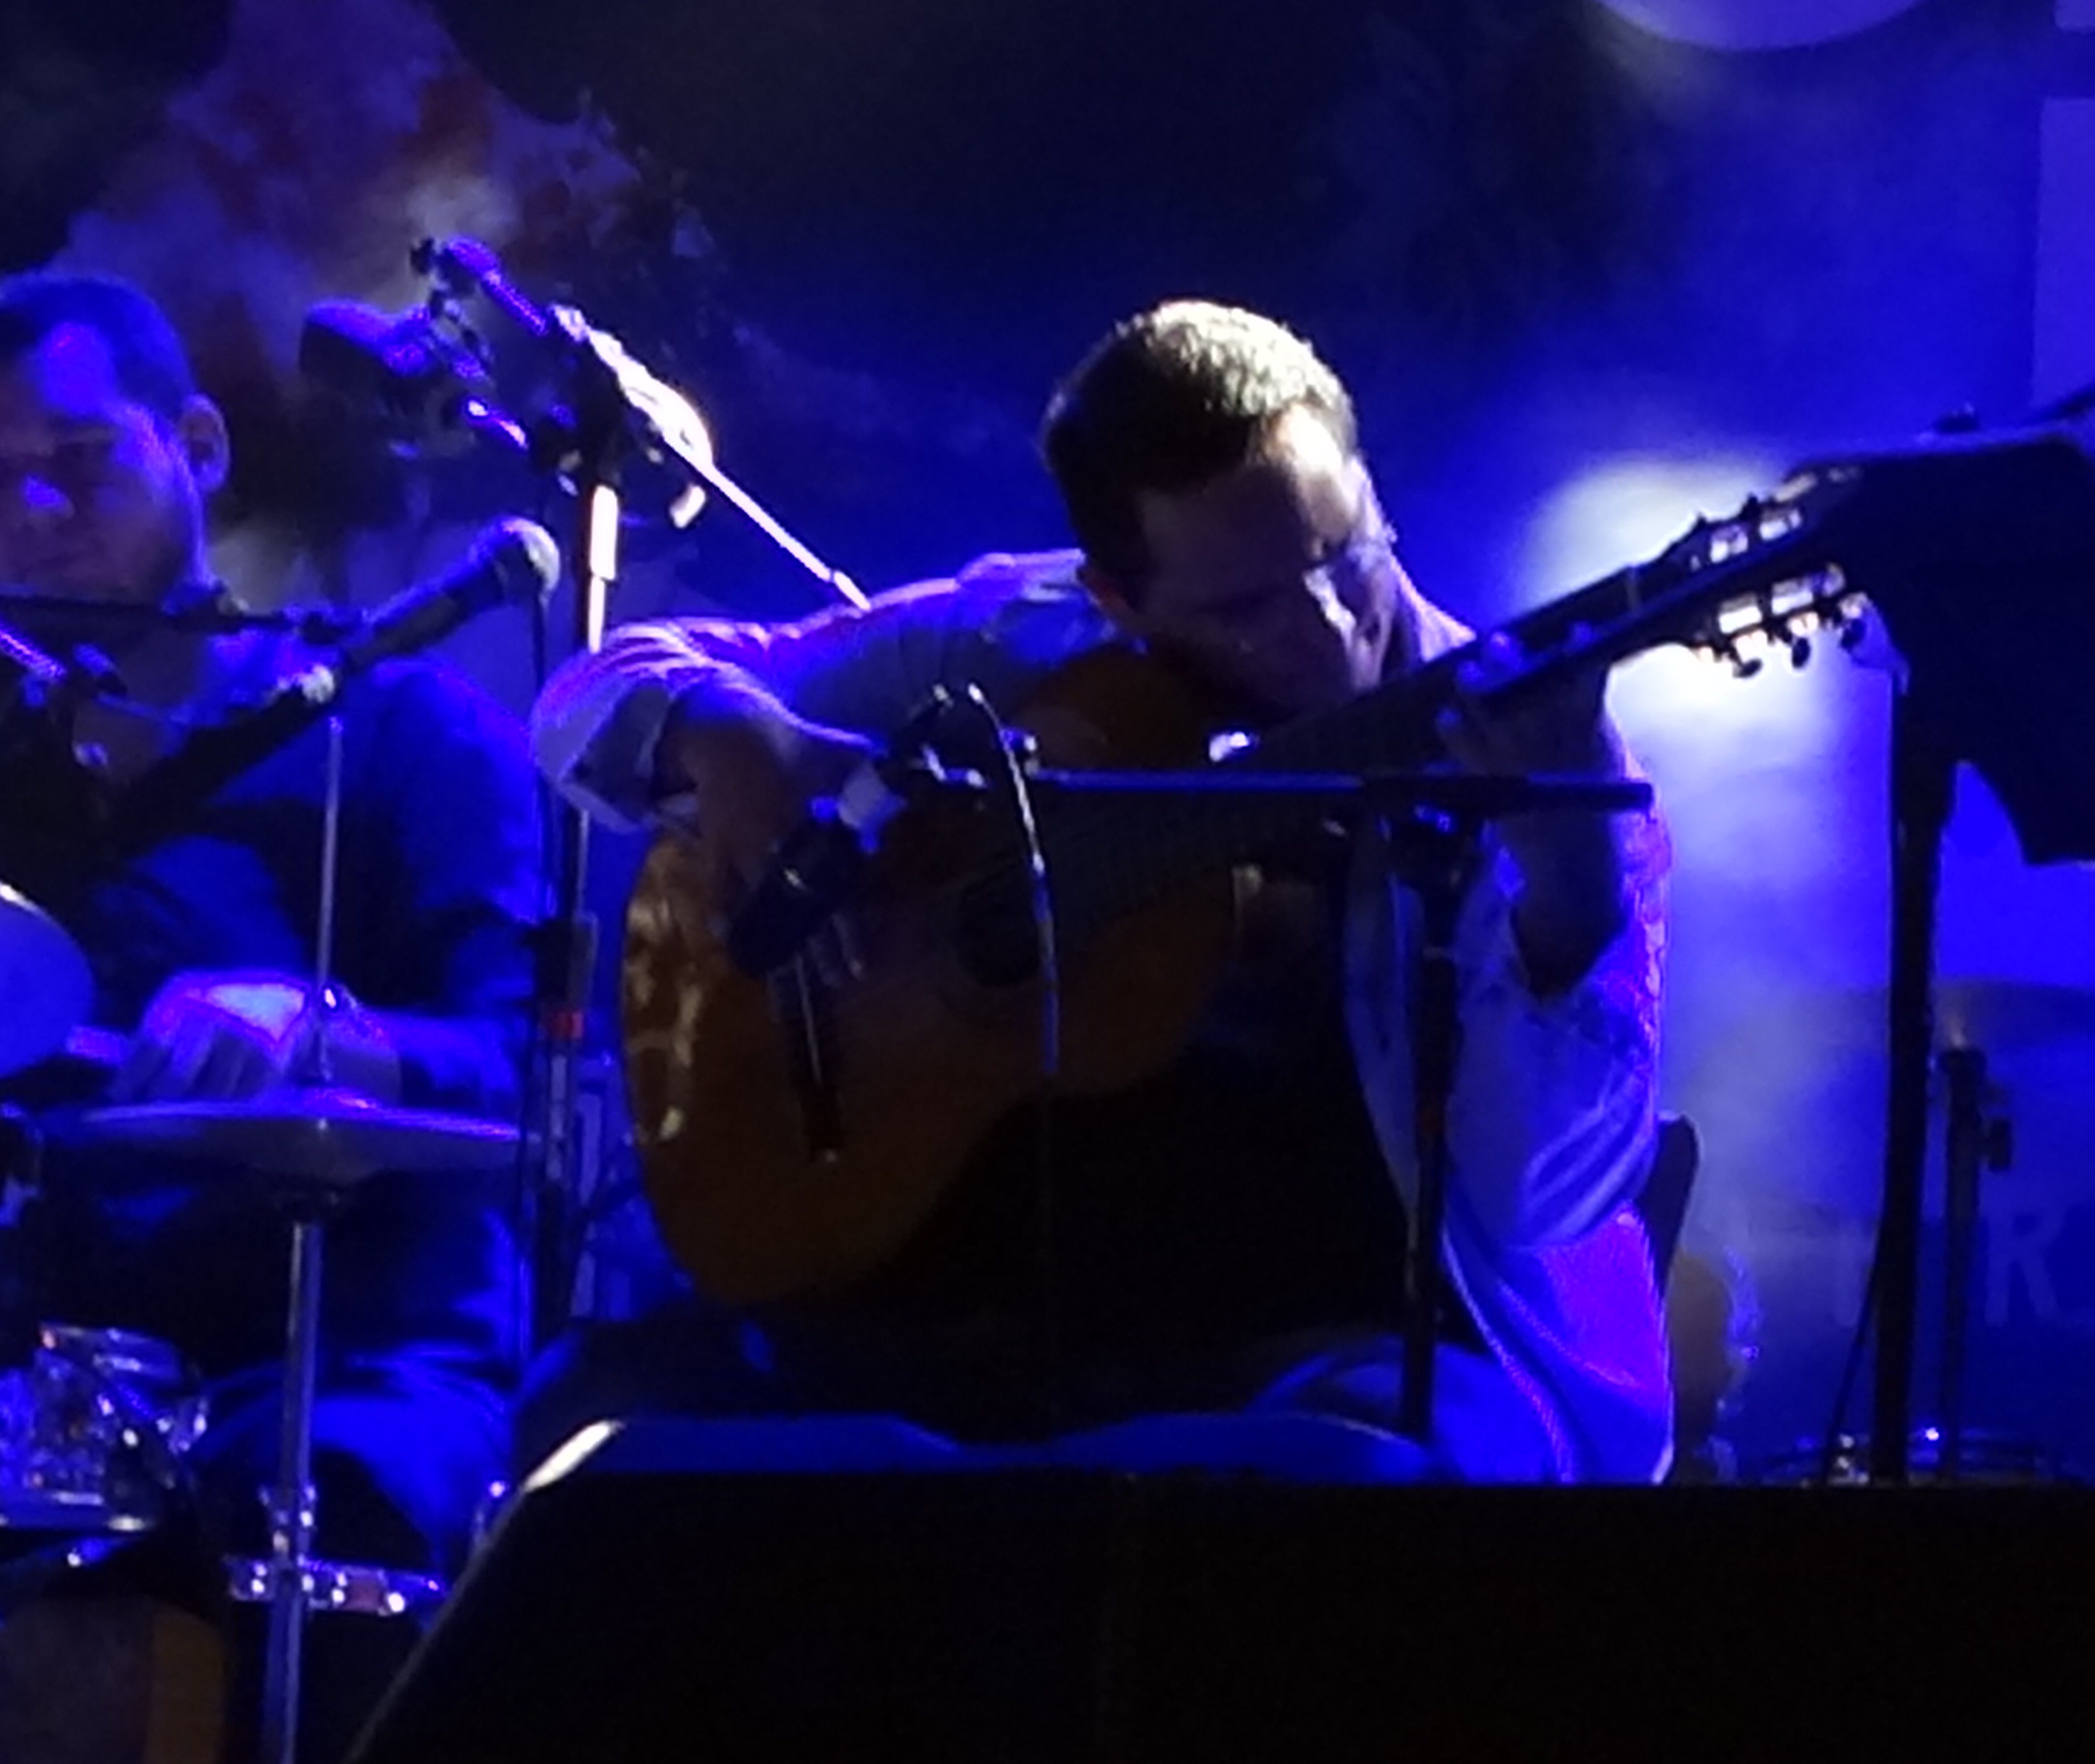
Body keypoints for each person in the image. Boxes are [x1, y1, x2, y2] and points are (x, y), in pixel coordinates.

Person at [519, 298, 1671, 1485]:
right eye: (1245, 609)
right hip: (981, 1308)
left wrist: (1573, 879)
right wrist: (728, 735)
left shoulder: (1525, 754)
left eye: (1346, 556)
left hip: (1343, 1345)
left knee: (1342, 1479)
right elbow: (598, 687)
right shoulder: (1023, 637)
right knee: (590, 1434)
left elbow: (1544, 1196)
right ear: (1118, 597)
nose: (1329, 630)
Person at [0, 268, 543, 1762]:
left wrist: (328, 1035)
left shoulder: (407, 739)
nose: (35, 513)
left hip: (350, 1374)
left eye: (80, 457)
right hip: (42, 1402)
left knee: (311, 1495)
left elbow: (531, 1083)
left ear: (201, 448)